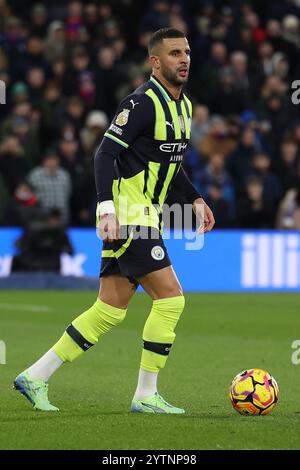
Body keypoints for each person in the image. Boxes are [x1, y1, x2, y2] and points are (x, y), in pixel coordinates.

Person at [14, 28, 215, 414]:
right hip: (128, 214)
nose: (184, 59)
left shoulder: (185, 107)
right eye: (174, 53)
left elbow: (170, 164)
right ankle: (145, 394)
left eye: (187, 51)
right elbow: (104, 155)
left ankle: (36, 375)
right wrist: (107, 209)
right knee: (171, 298)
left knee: (109, 308)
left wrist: (195, 198)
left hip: (146, 213)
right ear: (155, 62)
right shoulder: (141, 104)